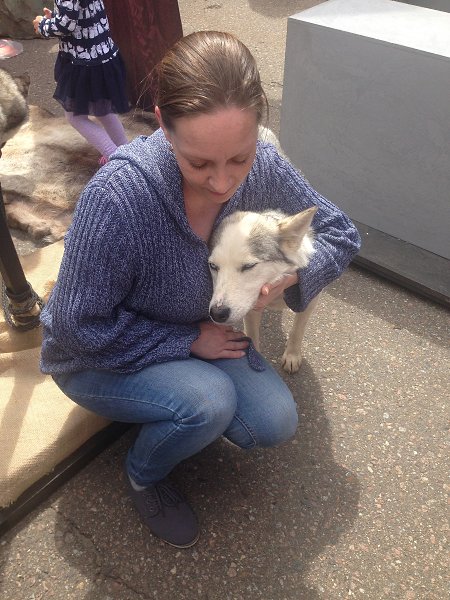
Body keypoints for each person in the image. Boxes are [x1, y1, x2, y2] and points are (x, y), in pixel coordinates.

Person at [40, 31, 361, 548]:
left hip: (197, 330)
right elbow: (76, 328)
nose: (222, 182)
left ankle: (172, 406)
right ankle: (144, 472)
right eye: (199, 162)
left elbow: (341, 233)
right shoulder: (118, 200)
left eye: (239, 157)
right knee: (207, 402)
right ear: (162, 123)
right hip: (95, 354)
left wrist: (288, 275)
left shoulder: (264, 165)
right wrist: (187, 341)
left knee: (274, 421)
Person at [33, 1, 130, 166]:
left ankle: (114, 156)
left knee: (75, 117)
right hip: (102, 56)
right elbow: (76, 15)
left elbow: (66, 26)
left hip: (84, 63)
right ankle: (127, 150)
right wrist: (55, 18)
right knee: (103, 110)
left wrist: (43, 25)